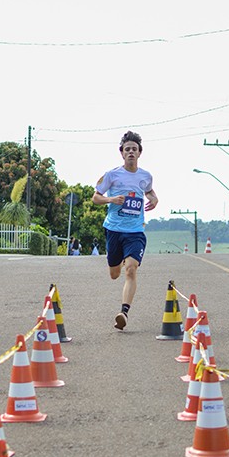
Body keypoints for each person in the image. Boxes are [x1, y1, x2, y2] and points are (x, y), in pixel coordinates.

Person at [92, 130, 158, 330]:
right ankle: (119, 260)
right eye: (127, 149)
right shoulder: (112, 175)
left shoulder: (146, 176)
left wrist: (154, 199)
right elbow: (95, 197)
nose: (131, 152)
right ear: (121, 153)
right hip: (113, 229)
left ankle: (124, 313)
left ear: (140, 153)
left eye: (134, 149)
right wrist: (111, 199)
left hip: (135, 231)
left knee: (131, 270)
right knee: (114, 274)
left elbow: (150, 192)